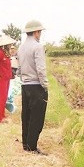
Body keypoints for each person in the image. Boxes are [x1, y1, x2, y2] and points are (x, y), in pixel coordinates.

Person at [18, 20, 48, 155]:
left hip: (25, 85)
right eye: (40, 32)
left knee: (26, 116)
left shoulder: (21, 47)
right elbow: (41, 69)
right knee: (37, 117)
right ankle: (32, 146)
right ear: (36, 32)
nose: (40, 34)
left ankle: (26, 143)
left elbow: (19, 68)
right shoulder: (38, 47)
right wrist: (45, 85)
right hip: (36, 86)